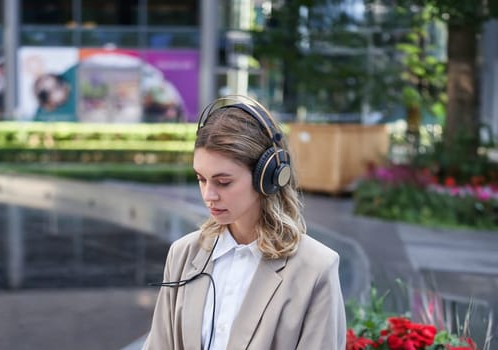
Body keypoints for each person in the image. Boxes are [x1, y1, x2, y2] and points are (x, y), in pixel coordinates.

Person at [144, 95, 346, 350]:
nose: (208, 196)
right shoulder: (183, 254)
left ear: (268, 176)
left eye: (223, 182)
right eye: (201, 178)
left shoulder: (316, 269)